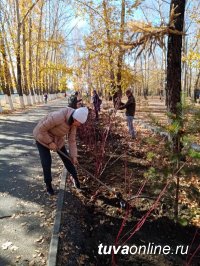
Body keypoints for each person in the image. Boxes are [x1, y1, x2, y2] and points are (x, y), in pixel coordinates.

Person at [33, 106, 89, 195]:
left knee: (68, 160)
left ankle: (75, 178)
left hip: (57, 140)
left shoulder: (73, 124)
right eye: (80, 123)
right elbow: (41, 129)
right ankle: (48, 185)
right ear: (75, 119)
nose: (80, 125)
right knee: (46, 162)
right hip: (42, 138)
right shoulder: (58, 117)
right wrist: (50, 142)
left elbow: (72, 140)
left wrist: (74, 156)